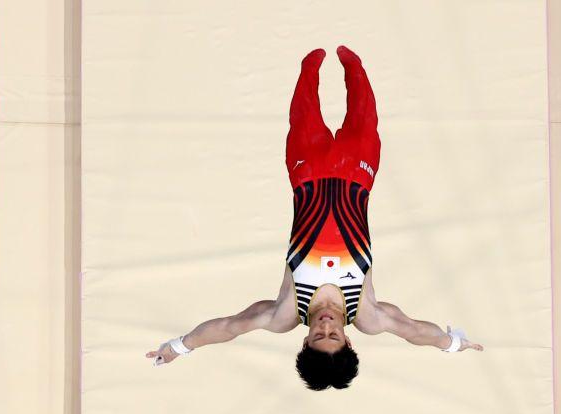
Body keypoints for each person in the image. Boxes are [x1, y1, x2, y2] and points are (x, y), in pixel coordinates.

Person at [146, 46, 482, 390]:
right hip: (357, 176)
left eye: (317, 335)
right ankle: (354, 67)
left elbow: (231, 326)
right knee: (364, 112)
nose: (325, 325)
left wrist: (179, 347)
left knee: (305, 100)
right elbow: (413, 330)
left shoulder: (284, 314)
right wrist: (452, 342)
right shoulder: (366, 314)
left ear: (304, 342)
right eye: (334, 334)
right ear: (348, 340)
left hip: (307, 175)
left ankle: (310, 67)